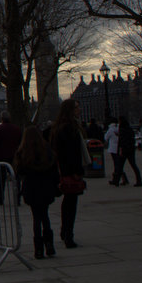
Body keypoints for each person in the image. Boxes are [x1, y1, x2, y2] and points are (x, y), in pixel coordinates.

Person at [13, 127, 60, 258]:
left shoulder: (23, 152)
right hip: (46, 187)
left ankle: (38, 249)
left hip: (32, 188)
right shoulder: (47, 150)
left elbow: (19, 172)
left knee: (36, 218)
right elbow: (54, 170)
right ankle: (49, 245)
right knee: (45, 216)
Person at [50, 98, 86, 248]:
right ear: (70, 110)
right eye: (77, 107)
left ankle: (65, 232)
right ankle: (68, 235)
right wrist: (76, 172)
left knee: (68, 203)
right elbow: (71, 153)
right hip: (70, 172)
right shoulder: (69, 128)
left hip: (65, 171)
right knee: (71, 204)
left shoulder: (59, 127)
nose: (79, 109)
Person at [0, 111, 22, 205]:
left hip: (2, 157)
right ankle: (17, 198)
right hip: (14, 156)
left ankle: (0, 198)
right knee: (16, 178)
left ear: (1, 119)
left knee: (1, 178)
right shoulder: (17, 129)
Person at [112, 116, 142, 186]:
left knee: (120, 166)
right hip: (131, 149)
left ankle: (116, 181)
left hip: (124, 150)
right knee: (133, 165)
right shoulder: (130, 129)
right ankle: (139, 180)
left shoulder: (121, 129)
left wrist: (120, 150)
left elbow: (122, 141)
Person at [104, 117, 125, 185]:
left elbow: (106, 137)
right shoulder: (119, 128)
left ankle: (115, 179)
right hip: (119, 148)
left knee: (116, 164)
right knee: (119, 164)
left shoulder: (110, 129)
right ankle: (124, 178)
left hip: (113, 148)